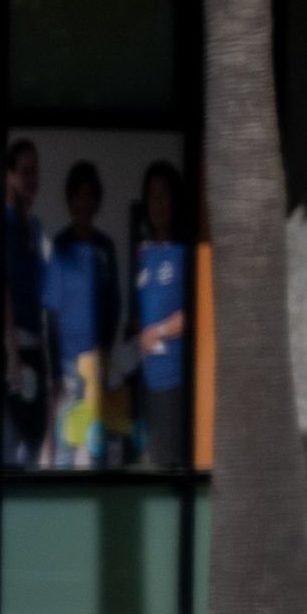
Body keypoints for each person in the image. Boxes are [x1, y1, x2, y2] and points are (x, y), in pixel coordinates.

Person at [39, 158, 124, 470]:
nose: (83, 202)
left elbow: (114, 304)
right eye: (77, 195)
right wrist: (56, 376)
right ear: (69, 200)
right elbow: (51, 314)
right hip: (66, 367)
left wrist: (105, 348)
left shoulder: (106, 248)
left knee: (98, 450)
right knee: (64, 453)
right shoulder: (61, 246)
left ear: (97, 200)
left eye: (89, 195)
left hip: (97, 367)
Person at [123, 158, 193, 473]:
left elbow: (194, 315)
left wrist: (159, 331)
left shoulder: (186, 252)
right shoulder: (145, 252)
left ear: (176, 200)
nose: (157, 203)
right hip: (143, 379)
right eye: (151, 195)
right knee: (143, 463)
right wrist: (138, 329)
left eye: (164, 194)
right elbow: (143, 310)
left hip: (171, 380)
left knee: (165, 467)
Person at [0, 138, 51, 466]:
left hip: (34, 348)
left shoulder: (35, 226)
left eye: (35, 172)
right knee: (9, 443)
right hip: (13, 349)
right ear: (9, 176)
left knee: (33, 441)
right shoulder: (5, 222)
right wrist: (12, 351)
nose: (32, 179)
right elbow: (4, 286)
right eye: (25, 172)